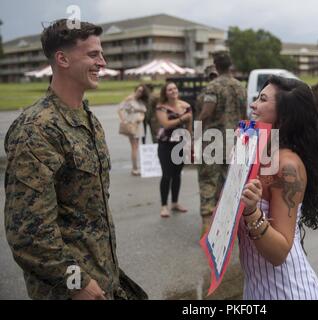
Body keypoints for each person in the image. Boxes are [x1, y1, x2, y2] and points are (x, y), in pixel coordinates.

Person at [3, 19, 147, 300]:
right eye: (93, 55)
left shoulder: (88, 120)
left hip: (103, 278)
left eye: (101, 54)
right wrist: (75, 281)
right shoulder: (36, 129)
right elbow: (27, 232)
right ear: (62, 59)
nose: (102, 62)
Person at [239, 75, 318, 300]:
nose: (253, 104)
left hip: (287, 291)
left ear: (284, 116)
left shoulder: (288, 167)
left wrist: (252, 212)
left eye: (262, 99)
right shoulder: (257, 152)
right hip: (256, 289)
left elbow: (279, 253)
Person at [197, 51, 247, 236]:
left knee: (208, 181)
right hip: (233, 142)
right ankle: (227, 227)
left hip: (213, 142)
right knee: (229, 183)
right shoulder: (240, 87)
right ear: (230, 65)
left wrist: (194, 133)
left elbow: (206, 113)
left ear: (216, 66)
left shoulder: (213, 86)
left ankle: (207, 227)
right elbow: (245, 116)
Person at [155, 82, 192, 218]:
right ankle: (164, 206)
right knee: (166, 174)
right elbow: (165, 124)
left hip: (180, 144)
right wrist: (182, 118)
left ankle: (175, 203)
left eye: (175, 88)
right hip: (166, 144)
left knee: (177, 174)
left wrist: (189, 142)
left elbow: (189, 125)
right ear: (165, 93)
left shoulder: (186, 106)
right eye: (169, 89)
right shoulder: (161, 107)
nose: (173, 91)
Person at [118, 84, 148, 176]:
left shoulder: (141, 101)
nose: (140, 93)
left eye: (142, 91)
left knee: (136, 146)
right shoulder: (130, 99)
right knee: (134, 147)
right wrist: (124, 120)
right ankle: (135, 168)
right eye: (139, 90)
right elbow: (120, 109)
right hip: (132, 123)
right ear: (135, 90)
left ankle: (135, 167)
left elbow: (143, 112)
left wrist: (141, 118)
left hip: (139, 125)